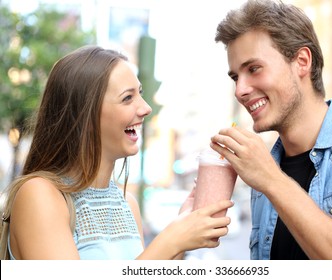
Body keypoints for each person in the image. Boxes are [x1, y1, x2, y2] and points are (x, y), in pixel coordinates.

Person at [0, 46, 233, 260]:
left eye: (140, 94)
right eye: (128, 98)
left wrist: (182, 236)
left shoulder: (127, 205)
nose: (146, 108)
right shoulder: (39, 194)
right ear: (85, 115)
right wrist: (171, 240)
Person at [211, 0, 332, 259]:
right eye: (236, 77)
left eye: (254, 69)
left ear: (302, 61)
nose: (240, 90)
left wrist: (272, 180)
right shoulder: (264, 172)